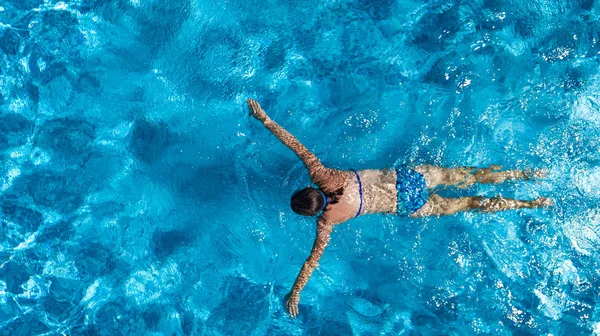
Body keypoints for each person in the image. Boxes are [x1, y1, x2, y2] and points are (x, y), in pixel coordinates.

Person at [246, 98, 552, 318]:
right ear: (310, 189)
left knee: (470, 203)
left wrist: (295, 292)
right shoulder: (323, 175)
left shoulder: (327, 223)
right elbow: (296, 146)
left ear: (312, 212)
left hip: (407, 203)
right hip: (407, 178)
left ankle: (529, 203)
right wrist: (265, 118)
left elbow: (311, 263)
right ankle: (525, 175)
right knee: (469, 175)